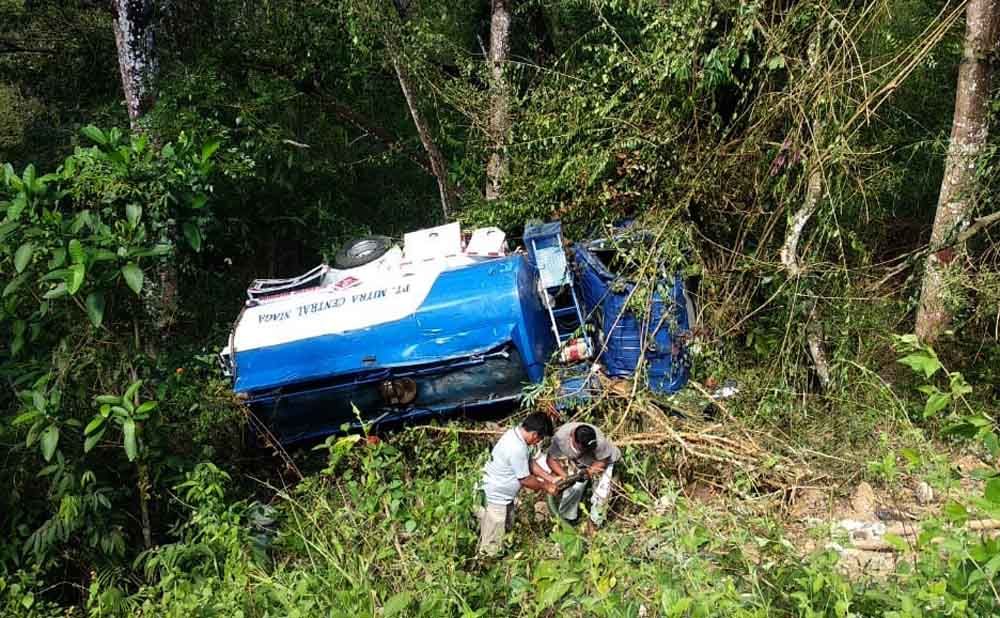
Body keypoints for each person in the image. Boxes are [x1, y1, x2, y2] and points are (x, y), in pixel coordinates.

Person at [477, 412, 560, 556]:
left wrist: (550, 479)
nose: (538, 442)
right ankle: (488, 567)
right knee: (491, 544)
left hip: (504, 497)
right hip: (495, 499)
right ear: (535, 435)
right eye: (540, 438)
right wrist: (546, 486)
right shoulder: (516, 447)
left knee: (505, 531)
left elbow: (529, 462)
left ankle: (502, 558)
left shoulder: (515, 435)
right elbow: (525, 479)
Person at [536, 422, 620, 532]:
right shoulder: (561, 437)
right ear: (572, 438)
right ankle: (566, 521)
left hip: (603, 463)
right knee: (572, 490)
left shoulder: (599, 441)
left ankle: (594, 525)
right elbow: (551, 460)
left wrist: (589, 472)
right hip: (580, 464)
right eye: (582, 448)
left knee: (601, 495)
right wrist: (565, 477)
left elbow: (602, 461)